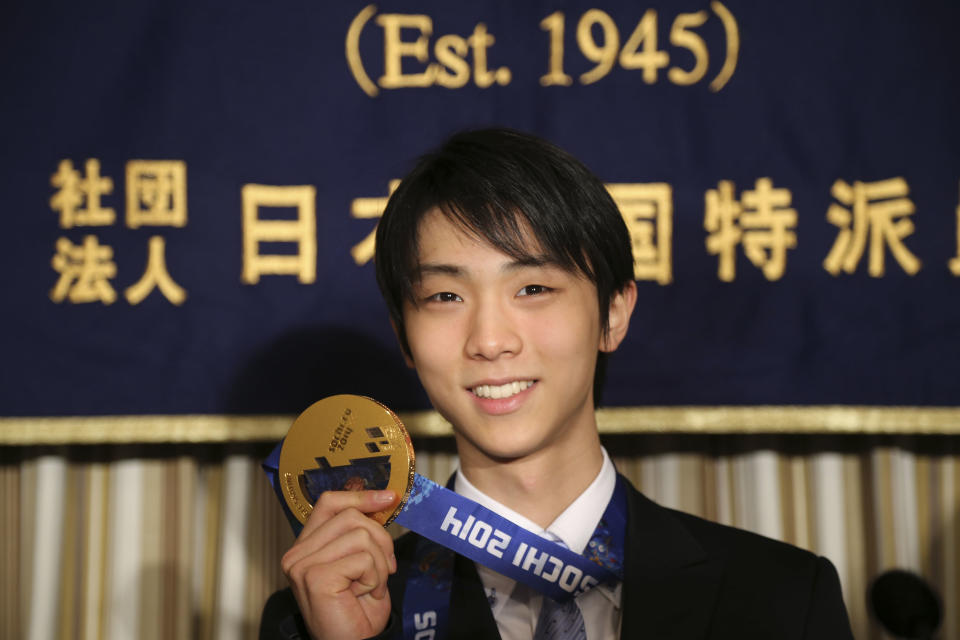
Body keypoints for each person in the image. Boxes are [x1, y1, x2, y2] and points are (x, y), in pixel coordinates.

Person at [260, 128, 853, 639]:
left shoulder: (782, 597)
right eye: (445, 296)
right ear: (404, 339)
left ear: (613, 314)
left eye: (533, 289)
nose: (489, 340)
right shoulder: (331, 610)